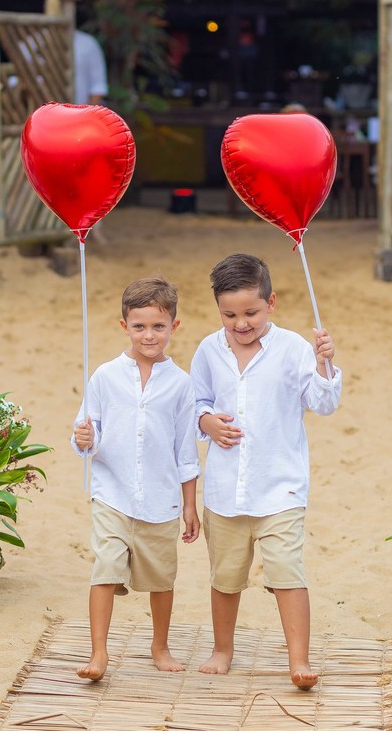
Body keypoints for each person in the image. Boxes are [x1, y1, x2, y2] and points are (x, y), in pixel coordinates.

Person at [191, 253, 340, 690]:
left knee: (287, 571)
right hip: (225, 491)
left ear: (271, 302)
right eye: (229, 315)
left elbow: (324, 403)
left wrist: (324, 364)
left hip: (280, 488)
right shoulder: (208, 350)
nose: (241, 324)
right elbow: (195, 402)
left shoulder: (293, 348)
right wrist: (206, 422)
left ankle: (299, 659)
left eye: (251, 313)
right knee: (225, 577)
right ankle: (223, 649)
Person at [70, 277, 200, 681]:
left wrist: (190, 505)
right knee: (106, 568)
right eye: (139, 326)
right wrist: (85, 438)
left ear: (174, 326)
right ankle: (99, 652)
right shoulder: (105, 376)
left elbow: (185, 451)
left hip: (161, 500)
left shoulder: (181, 384)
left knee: (161, 578)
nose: (149, 335)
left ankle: (160, 645)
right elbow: (87, 431)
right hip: (113, 493)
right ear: (123, 325)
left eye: (158, 326)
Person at [74, 30, 108, 105]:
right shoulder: (45, 41)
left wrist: (89, 111)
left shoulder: (87, 43)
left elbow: (98, 86)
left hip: (80, 109)